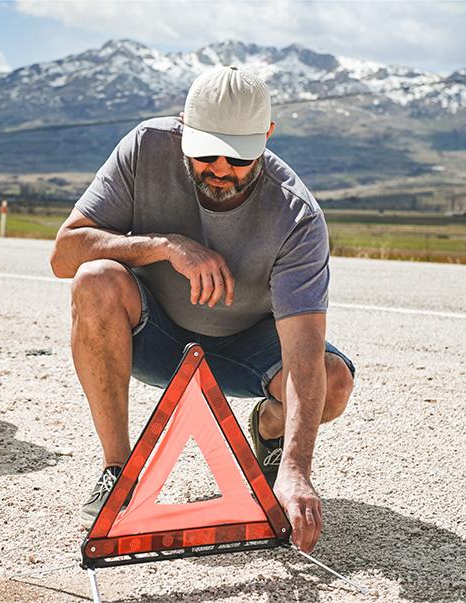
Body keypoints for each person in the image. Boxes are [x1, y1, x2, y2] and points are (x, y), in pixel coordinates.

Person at [49, 66, 355, 553]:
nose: (219, 168)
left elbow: (302, 350)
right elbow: (64, 254)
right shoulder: (145, 147)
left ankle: (268, 431)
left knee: (333, 381)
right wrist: (165, 246)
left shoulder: (296, 215)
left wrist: (297, 470)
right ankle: (118, 472)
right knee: (94, 279)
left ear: (267, 137)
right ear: (182, 128)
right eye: (205, 152)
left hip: (244, 349)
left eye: (237, 157)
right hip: (155, 335)